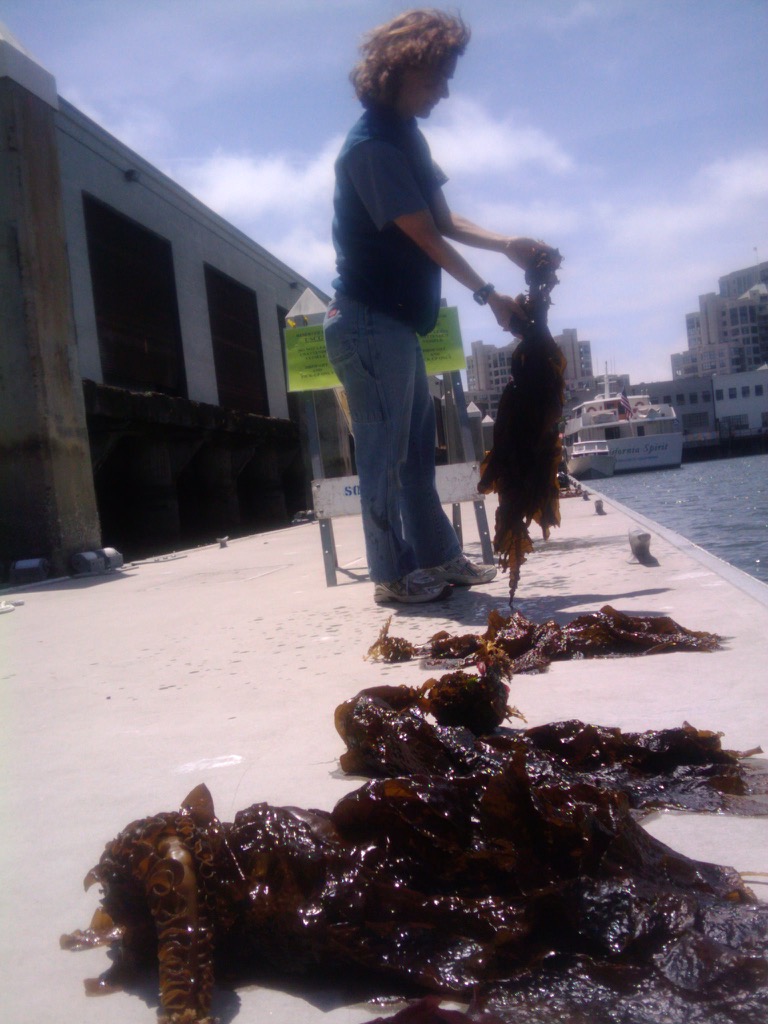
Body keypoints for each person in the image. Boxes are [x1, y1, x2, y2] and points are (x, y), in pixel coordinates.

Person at [323, 8, 558, 605]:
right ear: (401, 71)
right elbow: (424, 234)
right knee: (383, 455)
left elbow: (446, 219)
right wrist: (489, 297)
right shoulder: (370, 148)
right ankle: (392, 576)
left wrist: (507, 243)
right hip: (366, 324)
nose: (447, 91)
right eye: (438, 78)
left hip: (394, 325)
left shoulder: (405, 135)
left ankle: (439, 558)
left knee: (415, 459)